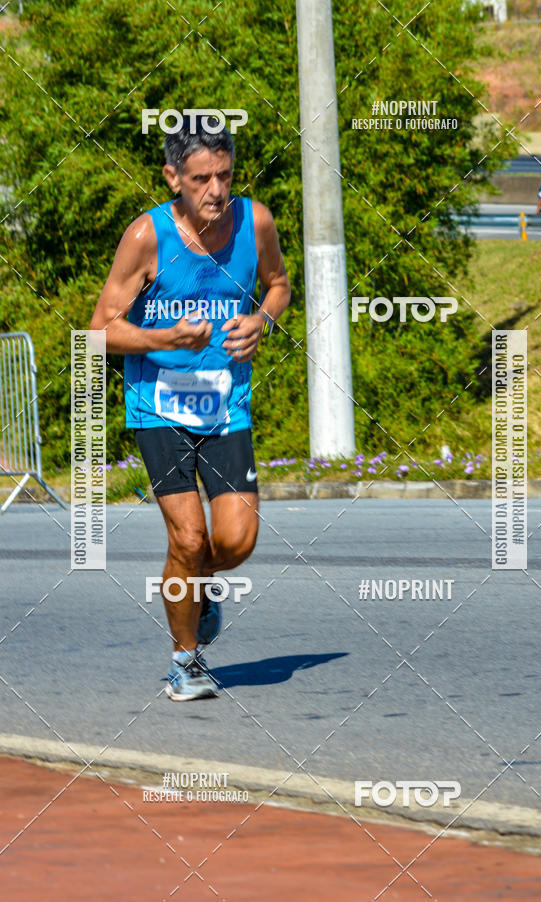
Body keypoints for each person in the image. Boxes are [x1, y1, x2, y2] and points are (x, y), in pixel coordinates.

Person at [90, 116, 291, 700]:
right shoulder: (145, 237)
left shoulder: (256, 221)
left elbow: (278, 284)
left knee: (235, 543)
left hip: (227, 405)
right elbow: (98, 331)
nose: (216, 191)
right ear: (172, 176)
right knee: (189, 541)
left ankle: (196, 591)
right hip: (159, 407)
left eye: (225, 175)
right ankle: (186, 661)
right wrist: (161, 340)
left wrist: (263, 320)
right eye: (202, 178)